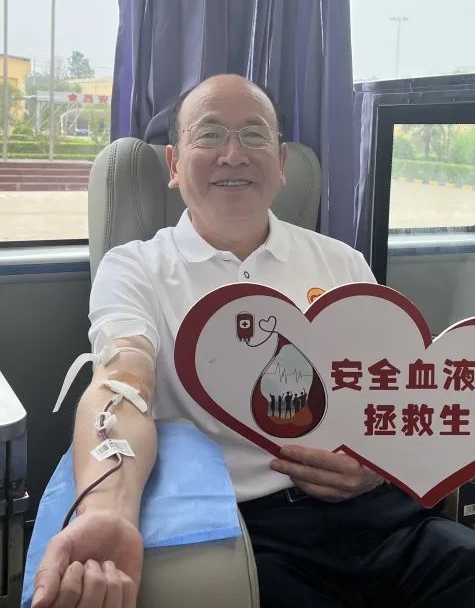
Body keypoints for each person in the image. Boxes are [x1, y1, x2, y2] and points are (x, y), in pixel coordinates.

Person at [33, 74, 475, 608]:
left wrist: (379, 464)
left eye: (254, 135)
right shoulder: (136, 269)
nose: (233, 154)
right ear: (174, 164)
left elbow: (387, 396)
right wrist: (107, 511)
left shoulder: (342, 262)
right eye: (209, 134)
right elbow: (122, 381)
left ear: (282, 163)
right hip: (249, 532)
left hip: (380, 518)